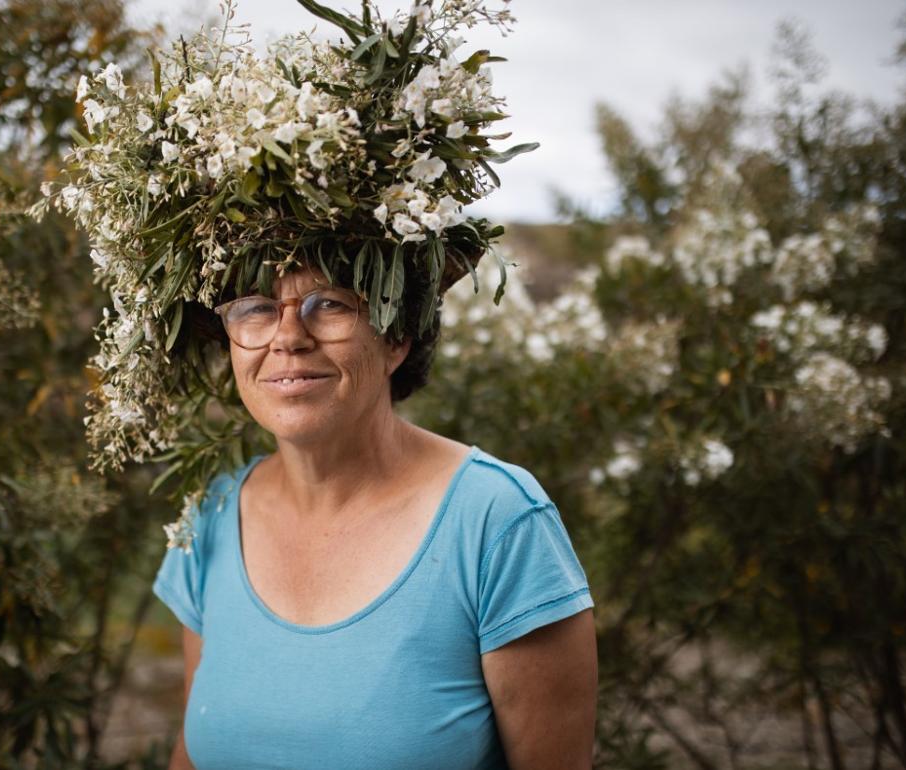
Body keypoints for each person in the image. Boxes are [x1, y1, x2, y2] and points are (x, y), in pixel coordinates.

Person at [152, 263, 597, 769]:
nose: (289, 338)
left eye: (331, 304)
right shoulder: (213, 512)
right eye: (257, 308)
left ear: (397, 339)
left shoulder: (497, 520)